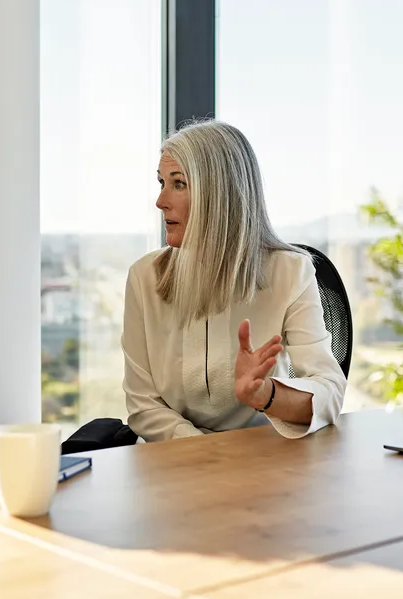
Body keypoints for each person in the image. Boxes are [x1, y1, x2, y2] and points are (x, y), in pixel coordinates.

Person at [122, 119, 347, 441]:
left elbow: (330, 391)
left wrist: (265, 394)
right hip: (173, 460)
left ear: (220, 194)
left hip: (261, 458)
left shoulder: (291, 272)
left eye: (179, 184)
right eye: (161, 183)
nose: (161, 201)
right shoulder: (144, 276)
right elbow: (143, 404)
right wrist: (206, 454)